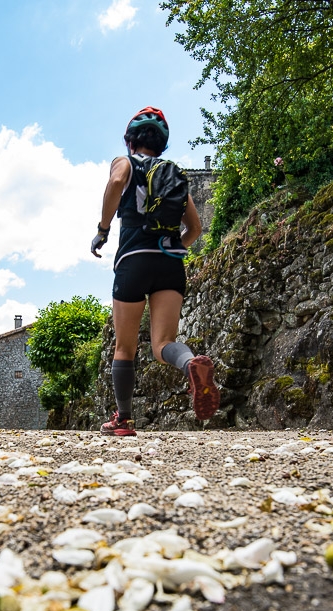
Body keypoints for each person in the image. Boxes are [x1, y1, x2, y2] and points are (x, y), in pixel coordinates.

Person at [89, 106, 219, 437]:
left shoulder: (126, 162)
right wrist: (174, 249)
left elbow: (117, 181)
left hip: (133, 259)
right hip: (169, 263)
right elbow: (195, 228)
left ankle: (124, 420)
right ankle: (190, 364)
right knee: (163, 344)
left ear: (131, 140)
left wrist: (103, 229)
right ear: (161, 145)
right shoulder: (172, 173)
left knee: (125, 347)